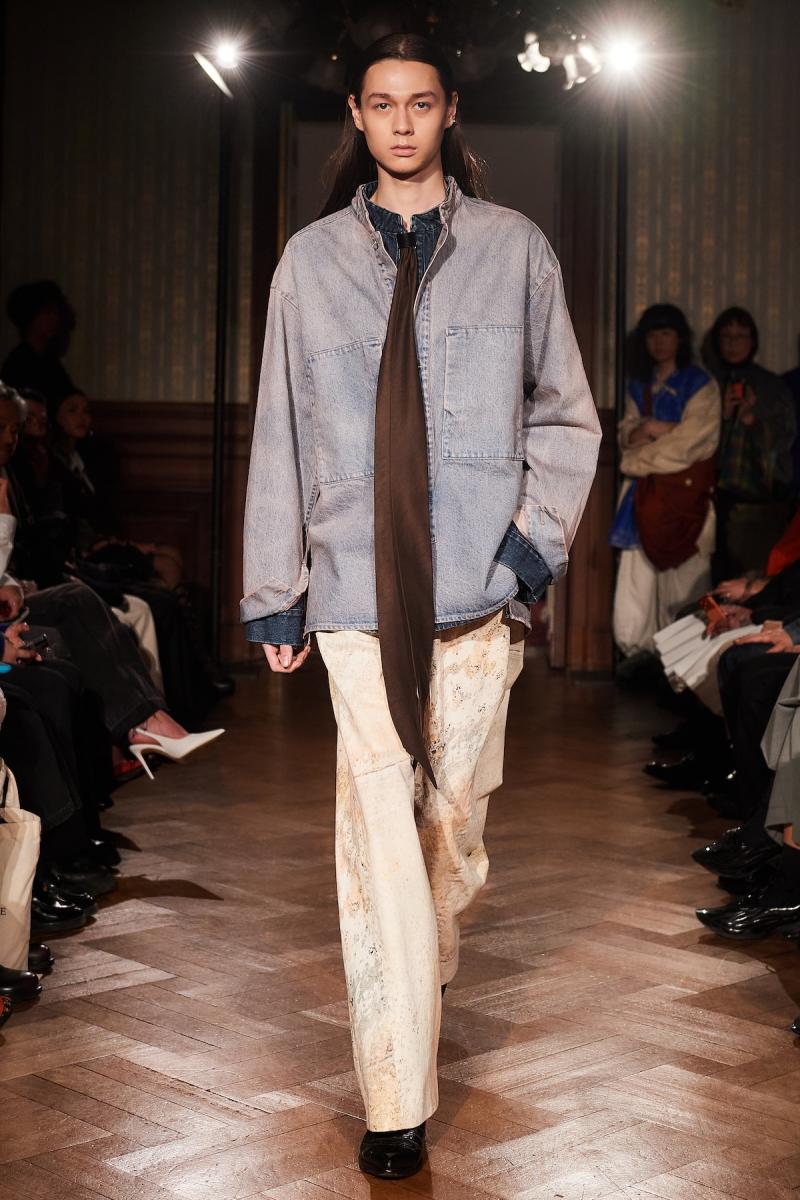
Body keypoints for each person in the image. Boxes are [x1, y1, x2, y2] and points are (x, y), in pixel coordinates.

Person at [241, 33, 600, 1180]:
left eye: (421, 103)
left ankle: (425, 959)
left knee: (451, 834)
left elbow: (566, 414)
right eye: (381, 104)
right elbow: (279, 427)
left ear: (448, 114)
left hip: (474, 592)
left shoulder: (513, 249)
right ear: (356, 115)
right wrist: (276, 594)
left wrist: (527, 552)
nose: (401, 123)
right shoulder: (307, 263)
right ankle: (395, 1096)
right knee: (376, 839)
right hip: (353, 589)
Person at [610, 304, 720, 659]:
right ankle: (639, 659)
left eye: (666, 333)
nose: (659, 342)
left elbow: (692, 444)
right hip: (642, 497)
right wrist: (655, 430)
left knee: (687, 583)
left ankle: (688, 663)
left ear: (680, 338)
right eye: (652, 335)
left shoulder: (700, 384)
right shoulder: (638, 386)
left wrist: (640, 450)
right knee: (637, 586)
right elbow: (627, 433)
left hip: (686, 498)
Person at [704, 307, 795, 577]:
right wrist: (723, 416)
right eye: (726, 336)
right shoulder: (709, 383)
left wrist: (753, 420)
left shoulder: (771, 385)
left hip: (761, 496)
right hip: (714, 493)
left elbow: (785, 437)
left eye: (740, 336)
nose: (733, 344)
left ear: (752, 340)